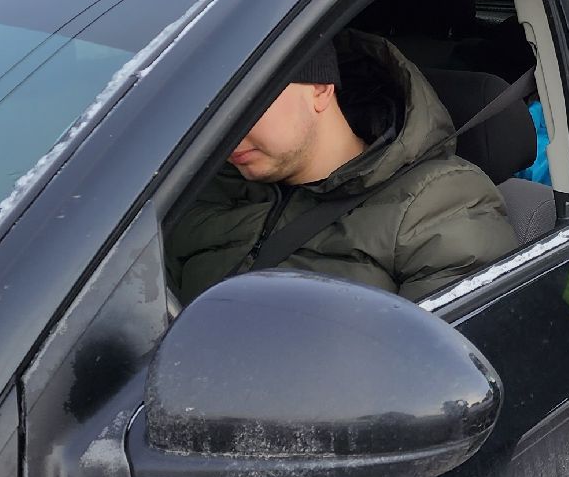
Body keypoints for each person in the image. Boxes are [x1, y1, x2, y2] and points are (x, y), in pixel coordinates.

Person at [165, 31, 515, 302]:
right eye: (211, 114)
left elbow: (448, 372)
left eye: (244, 107)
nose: (224, 135)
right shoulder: (202, 190)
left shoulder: (437, 205)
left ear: (318, 88)